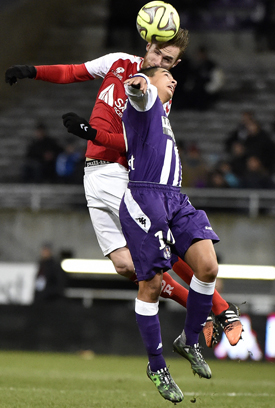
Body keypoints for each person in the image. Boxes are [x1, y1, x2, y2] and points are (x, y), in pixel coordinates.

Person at [5, 29, 242, 351]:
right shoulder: (118, 63)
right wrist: (32, 71)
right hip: (94, 172)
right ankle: (209, 308)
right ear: (149, 45)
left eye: (169, 61)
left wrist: (92, 133)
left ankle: (219, 307)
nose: (161, 62)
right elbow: (74, 72)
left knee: (157, 243)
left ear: (177, 63)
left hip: (121, 173)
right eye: (158, 54)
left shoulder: (156, 96)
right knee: (125, 265)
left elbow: (133, 144)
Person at [68, 66, 220, 402]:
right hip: (145, 197)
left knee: (208, 266)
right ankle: (156, 364)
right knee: (149, 283)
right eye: (166, 74)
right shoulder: (145, 100)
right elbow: (138, 90)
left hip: (176, 198)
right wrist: (138, 83)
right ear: (151, 81)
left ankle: (189, 340)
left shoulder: (162, 114)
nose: (174, 79)